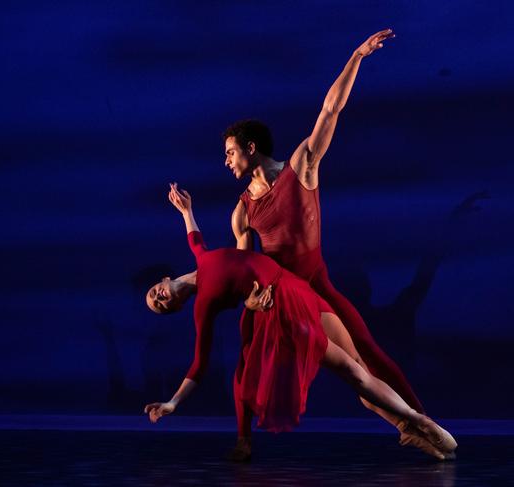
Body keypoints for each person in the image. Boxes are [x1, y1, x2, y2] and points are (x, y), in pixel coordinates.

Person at [143, 183, 457, 460]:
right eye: (160, 306)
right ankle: (419, 420)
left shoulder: (200, 256)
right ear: (176, 307)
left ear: (164, 279)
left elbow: (194, 237)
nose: (158, 299)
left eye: (154, 295)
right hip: (284, 307)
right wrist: (172, 402)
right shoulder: (203, 306)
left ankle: (408, 428)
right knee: (353, 372)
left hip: (299, 289)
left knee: (360, 366)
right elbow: (199, 363)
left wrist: (186, 210)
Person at [225, 29, 425, 448]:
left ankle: (416, 424)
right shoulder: (242, 211)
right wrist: (249, 300)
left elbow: (330, 110)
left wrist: (356, 56)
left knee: (367, 358)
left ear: (251, 147)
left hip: (318, 284)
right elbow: (245, 271)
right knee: (249, 359)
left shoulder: (301, 166)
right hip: (284, 295)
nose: (226, 161)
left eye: (230, 152)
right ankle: (243, 439)